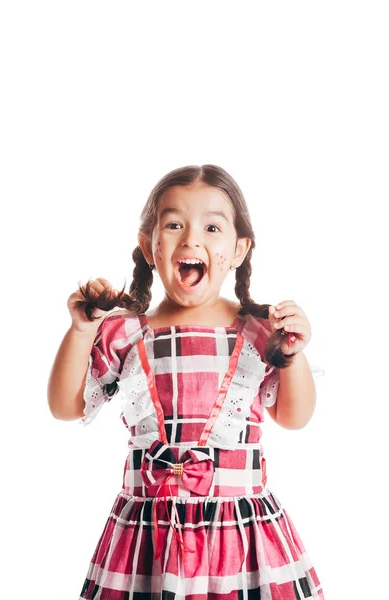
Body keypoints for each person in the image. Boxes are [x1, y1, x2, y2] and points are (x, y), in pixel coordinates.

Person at [48, 164, 325, 599]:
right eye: (174, 224)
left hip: (240, 537)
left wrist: (294, 353)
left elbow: (294, 416)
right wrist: (81, 331)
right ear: (150, 246)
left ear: (238, 249)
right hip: (148, 537)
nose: (192, 238)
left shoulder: (256, 330)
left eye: (212, 227)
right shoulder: (125, 333)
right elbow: (65, 406)